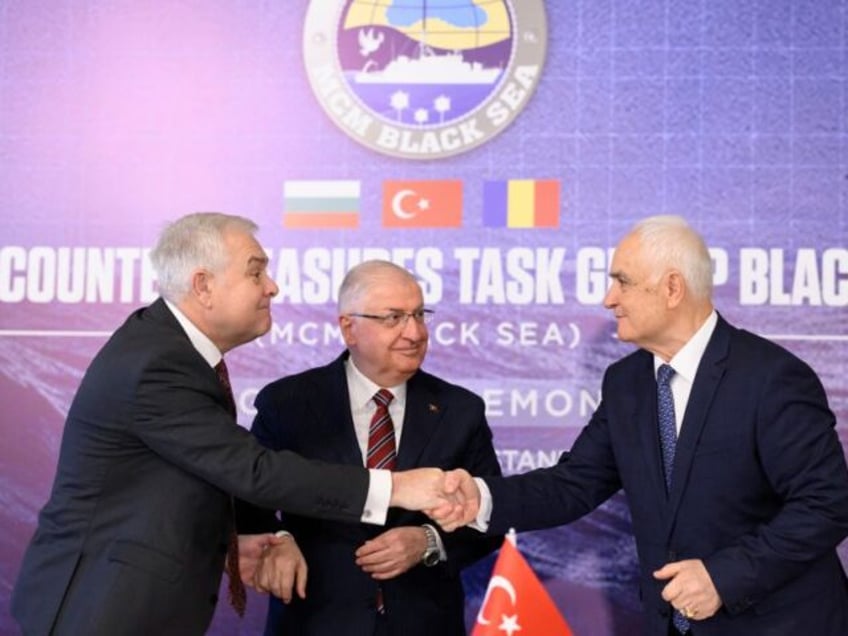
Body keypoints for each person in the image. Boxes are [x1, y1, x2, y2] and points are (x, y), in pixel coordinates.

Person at [11, 213, 453, 636]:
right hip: (104, 607)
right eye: (256, 273)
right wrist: (396, 488)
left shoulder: (167, 346)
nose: (272, 288)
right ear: (203, 285)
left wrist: (240, 537)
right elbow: (253, 471)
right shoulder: (158, 364)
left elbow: (193, 471)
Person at [432, 215, 848, 635]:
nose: (609, 299)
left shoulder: (769, 377)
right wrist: (480, 498)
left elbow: (826, 503)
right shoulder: (626, 382)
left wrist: (723, 576)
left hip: (779, 624)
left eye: (623, 282)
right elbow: (573, 483)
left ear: (672, 288)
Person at [236, 260, 503, 636]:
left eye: (418, 315)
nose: (414, 332)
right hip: (315, 622)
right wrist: (278, 541)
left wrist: (428, 541)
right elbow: (247, 503)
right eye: (393, 318)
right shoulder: (288, 403)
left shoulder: (461, 410)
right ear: (349, 328)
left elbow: (490, 515)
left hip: (423, 623)